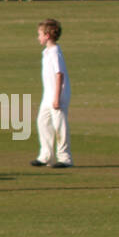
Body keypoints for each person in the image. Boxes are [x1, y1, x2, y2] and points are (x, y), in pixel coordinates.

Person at [31, 18, 72, 169]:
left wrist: (56, 98)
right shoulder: (47, 52)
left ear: (47, 35)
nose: (38, 37)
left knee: (59, 126)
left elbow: (59, 74)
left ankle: (65, 158)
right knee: (43, 122)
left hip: (57, 95)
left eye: (40, 34)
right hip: (47, 95)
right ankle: (46, 156)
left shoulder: (55, 52)